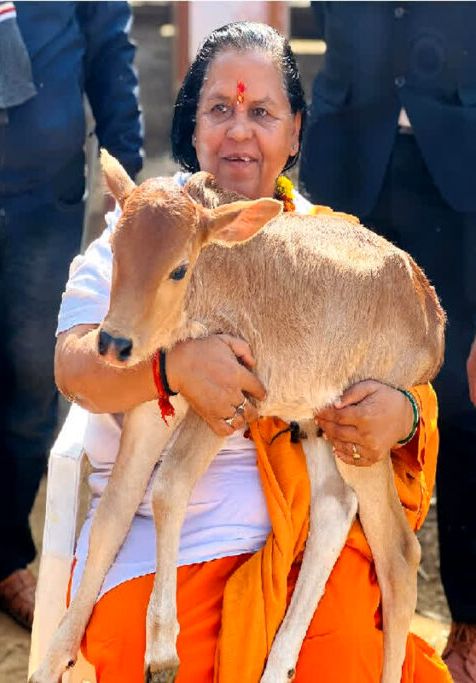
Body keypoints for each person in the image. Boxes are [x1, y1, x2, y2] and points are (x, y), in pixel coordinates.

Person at [54, 21, 449, 681]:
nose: (240, 130)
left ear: (296, 132)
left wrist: (402, 412)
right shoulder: (138, 236)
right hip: (165, 539)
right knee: (130, 649)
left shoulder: (332, 251)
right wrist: (171, 367)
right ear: (191, 128)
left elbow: (406, 372)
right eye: (220, 110)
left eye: (262, 112)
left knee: (349, 649)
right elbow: (74, 366)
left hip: (300, 534)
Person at [297, 6, 476, 678]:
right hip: (350, 159)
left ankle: (469, 619)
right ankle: (347, 604)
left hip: (461, 178)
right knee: (338, 391)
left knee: (463, 400)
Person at [0, 0, 143, 630]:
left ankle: (3, 555)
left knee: (30, 385)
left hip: (45, 202)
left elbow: (109, 51)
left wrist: (126, 181)